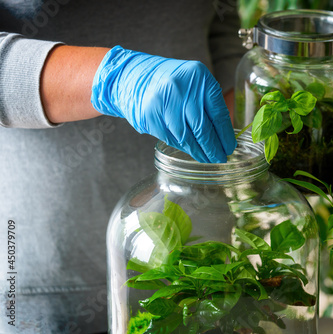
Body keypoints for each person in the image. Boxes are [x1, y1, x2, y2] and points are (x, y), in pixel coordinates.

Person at [0, 1, 245, 333]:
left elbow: (221, 21)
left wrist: (239, 93)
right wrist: (118, 77)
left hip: (201, 270)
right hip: (51, 276)